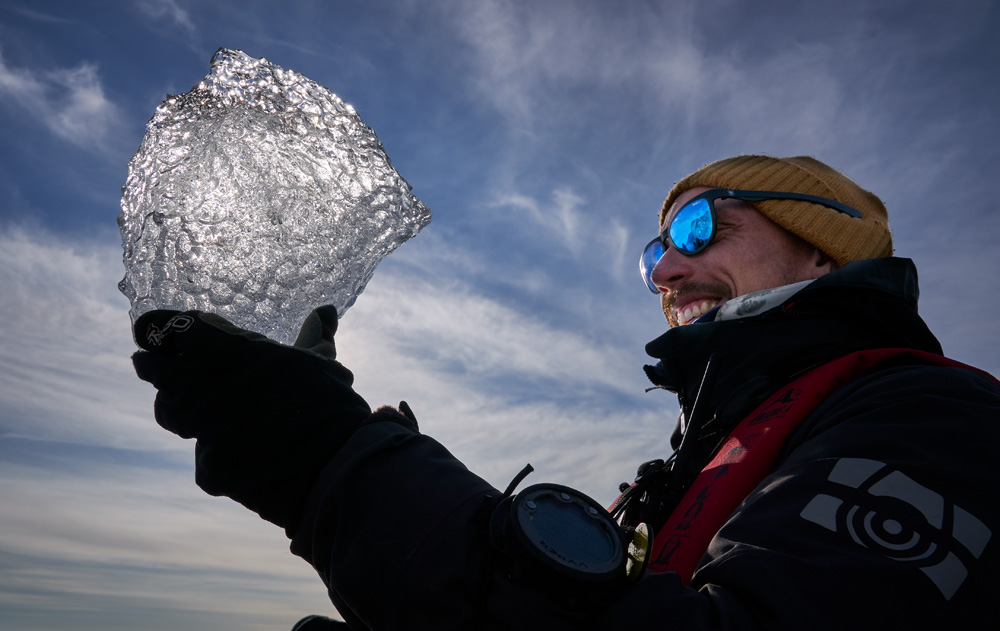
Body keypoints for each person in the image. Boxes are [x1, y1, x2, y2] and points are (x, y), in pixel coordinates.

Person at [132, 155, 1000, 630]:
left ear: (822, 251)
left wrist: (337, 464)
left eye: (701, 227)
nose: (667, 269)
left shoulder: (936, 421)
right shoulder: (699, 459)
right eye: (655, 250)